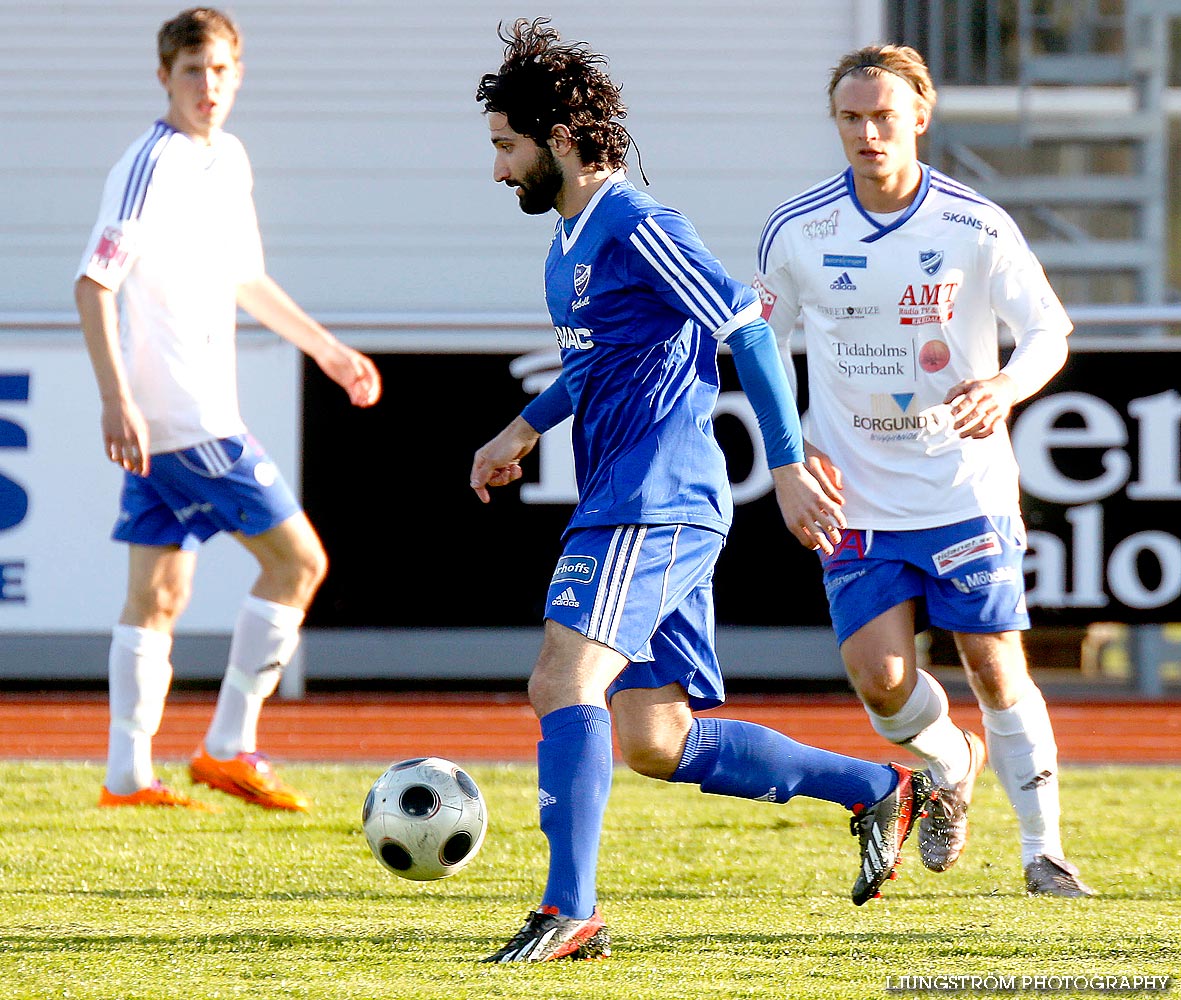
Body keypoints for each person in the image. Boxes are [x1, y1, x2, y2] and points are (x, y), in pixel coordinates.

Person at [469, 19, 941, 964]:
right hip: (631, 493)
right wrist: (526, 426)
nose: (496, 170)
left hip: (652, 497)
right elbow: (602, 361)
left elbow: (747, 329)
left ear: (559, 138)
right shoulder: (569, 242)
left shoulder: (639, 224)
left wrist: (787, 466)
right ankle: (873, 789)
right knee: (652, 735)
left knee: (562, 681)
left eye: (505, 146)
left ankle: (570, 910)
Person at [753, 44, 1093, 898]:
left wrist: (1008, 386)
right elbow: (756, 344)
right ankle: (950, 762)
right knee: (881, 682)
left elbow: (1049, 329)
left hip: (959, 486)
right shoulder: (799, 230)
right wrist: (789, 458)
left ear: (919, 117)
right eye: (850, 118)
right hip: (852, 494)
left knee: (991, 662)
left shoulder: (973, 225)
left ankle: (1043, 855)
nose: (867, 132)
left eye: (882, 116)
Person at [74, 7, 381, 813]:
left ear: (236, 74)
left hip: (178, 418)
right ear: (164, 77)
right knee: (299, 563)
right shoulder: (150, 164)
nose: (207, 87)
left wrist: (326, 348)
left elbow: (246, 278)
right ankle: (228, 746)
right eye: (191, 72)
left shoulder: (228, 158)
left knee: (157, 596)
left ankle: (126, 777)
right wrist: (117, 400)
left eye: (219, 71)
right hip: (188, 420)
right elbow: (93, 283)